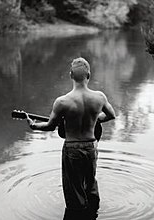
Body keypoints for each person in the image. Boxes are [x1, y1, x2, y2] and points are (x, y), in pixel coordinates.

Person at [25, 57, 116, 219]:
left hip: (72, 148)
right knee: (90, 182)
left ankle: (77, 214)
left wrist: (34, 125)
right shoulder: (99, 97)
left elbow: (50, 126)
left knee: (74, 190)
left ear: (70, 75)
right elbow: (111, 115)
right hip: (91, 147)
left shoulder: (62, 102)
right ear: (89, 75)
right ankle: (93, 213)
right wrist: (95, 119)